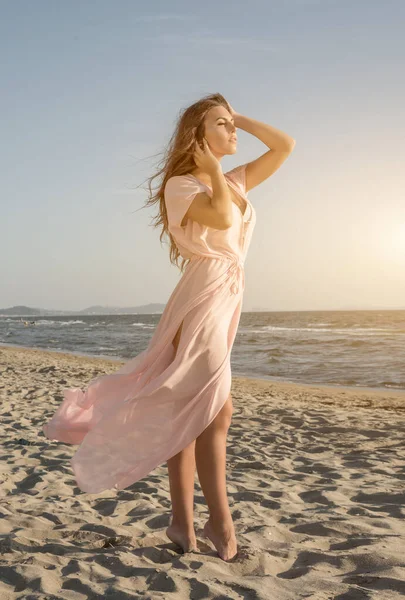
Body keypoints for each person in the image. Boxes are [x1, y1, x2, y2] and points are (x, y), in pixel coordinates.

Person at [42, 93, 295, 561]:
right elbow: (220, 218)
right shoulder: (184, 185)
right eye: (221, 126)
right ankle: (219, 523)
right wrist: (214, 169)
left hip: (224, 292)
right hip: (203, 294)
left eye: (231, 124)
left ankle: (182, 525)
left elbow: (284, 146)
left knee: (192, 411)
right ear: (198, 138)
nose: (233, 132)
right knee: (214, 410)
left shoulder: (234, 181)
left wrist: (232, 116)